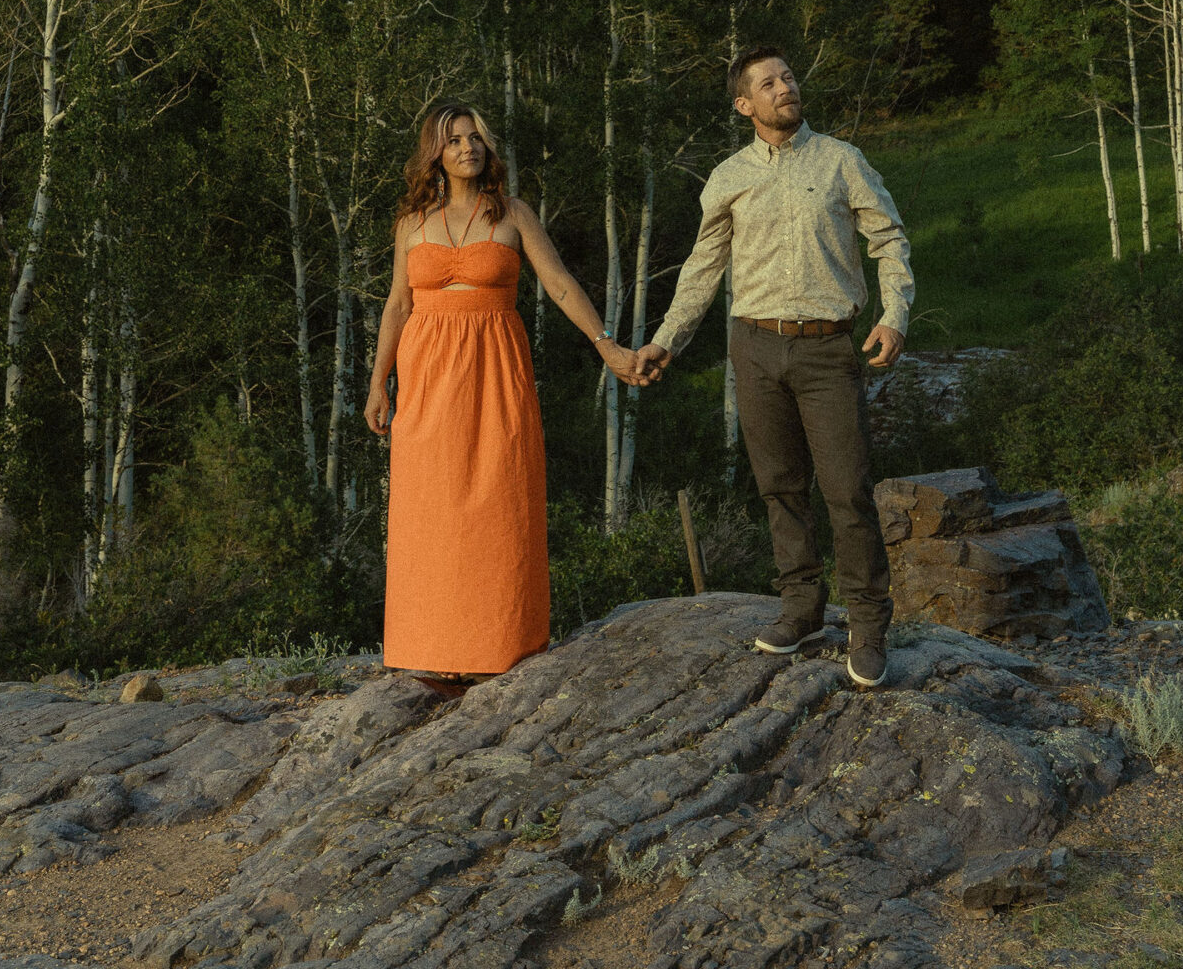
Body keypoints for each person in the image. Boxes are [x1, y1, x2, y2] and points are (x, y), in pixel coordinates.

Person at [633, 48, 913, 688]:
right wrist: (666, 342)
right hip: (753, 347)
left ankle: (868, 629)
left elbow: (889, 240)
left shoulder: (842, 160)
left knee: (846, 491)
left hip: (827, 348)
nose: (785, 87)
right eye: (769, 83)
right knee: (779, 487)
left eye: (788, 77)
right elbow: (702, 270)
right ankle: (802, 609)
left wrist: (894, 314)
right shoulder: (728, 176)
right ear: (745, 106)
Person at [366, 99, 641, 681]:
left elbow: (561, 284)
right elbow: (397, 304)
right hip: (426, 377)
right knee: (429, 510)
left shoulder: (512, 213)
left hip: (495, 369)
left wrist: (607, 345)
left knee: (498, 502)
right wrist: (378, 383)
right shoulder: (411, 223)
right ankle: (428, 648)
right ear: (434, 154)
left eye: (476, 139)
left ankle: (501, 646)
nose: (468, 148)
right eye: (455, 140)